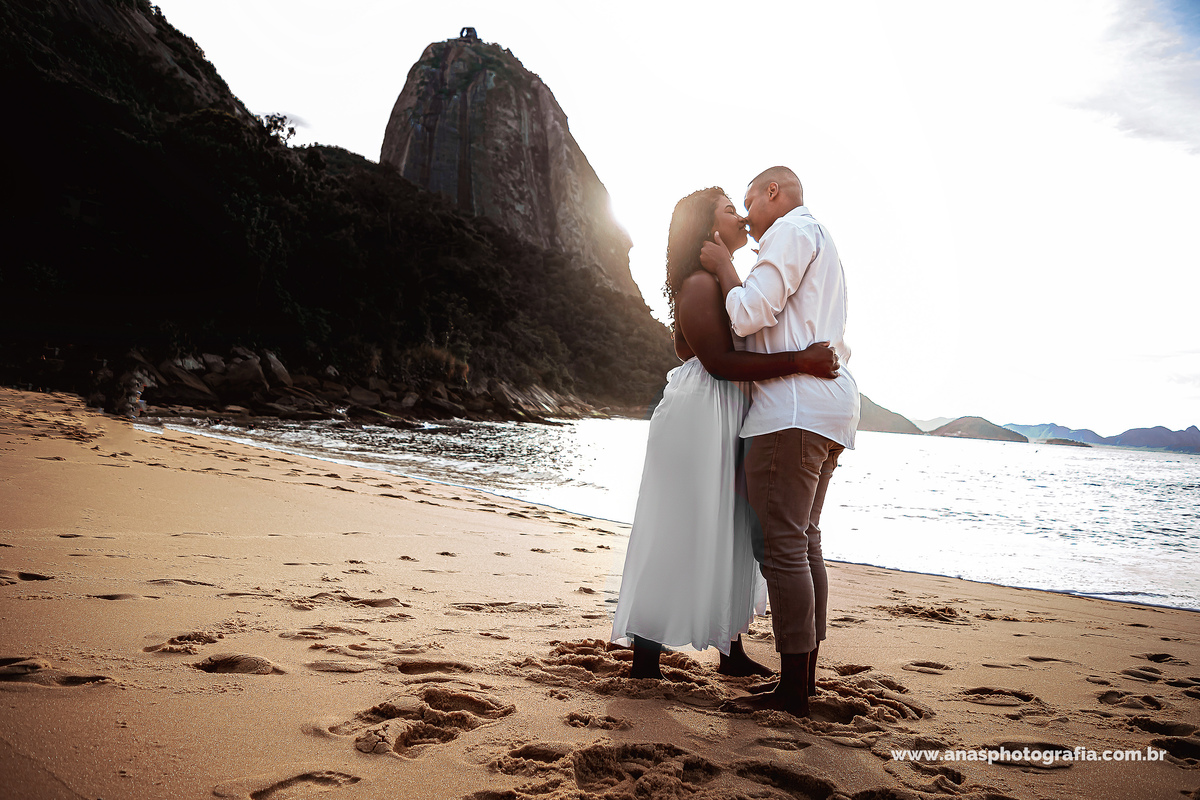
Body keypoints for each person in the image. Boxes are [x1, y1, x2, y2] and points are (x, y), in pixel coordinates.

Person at [610, 187, 841, 680]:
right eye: (729, 209)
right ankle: (646, 658)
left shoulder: (726, 281)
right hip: (700, 413)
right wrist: (801, 361)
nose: (740, 215)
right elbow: (715, 362)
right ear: (706, 225)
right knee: (680, 526)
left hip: (735, 408)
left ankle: (730, 650)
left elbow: (689, 344)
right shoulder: (697, 282)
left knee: (733, 526)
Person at [699, 166, 860, 717]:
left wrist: (725, 266)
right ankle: (805, 678)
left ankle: (793, 689)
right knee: (805, 539)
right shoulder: (821, 239)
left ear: (775, 192)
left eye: (749, 200)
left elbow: (746, 315)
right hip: (828, 409)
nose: (745, 215)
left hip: (791, 411)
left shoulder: (790, 230)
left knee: (783, 546)